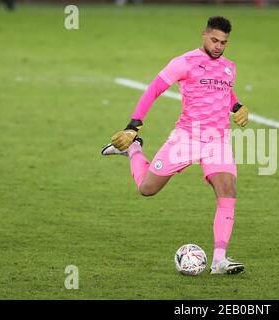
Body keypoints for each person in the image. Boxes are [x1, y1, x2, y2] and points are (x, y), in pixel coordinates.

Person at [102, 16, 249, 275]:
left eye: (223, 42)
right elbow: (153, 90)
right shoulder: (184, 62)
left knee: (228, 192)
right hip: (186, 138)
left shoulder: (229, 67)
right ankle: (132, 149)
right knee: (147, 189)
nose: (218, 46)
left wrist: (236, 106)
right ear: (203, 35)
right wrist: (134, 124)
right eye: (214, 40)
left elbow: (225, 91)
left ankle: (219, 260)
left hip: (218, 140)